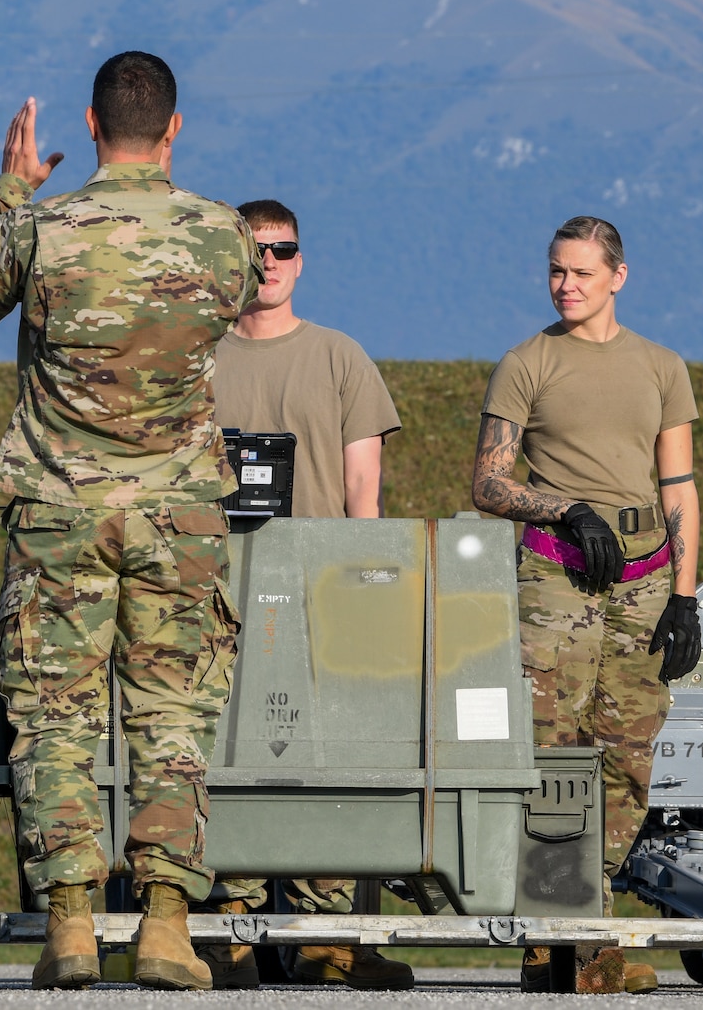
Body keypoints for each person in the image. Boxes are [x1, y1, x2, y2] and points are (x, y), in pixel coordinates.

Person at [0, 53, 259, 993]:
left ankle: (70, 926)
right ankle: (164, 925)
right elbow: (224, 315)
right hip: (177, 516)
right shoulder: (221, 234)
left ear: (91, 119)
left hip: (60, 511)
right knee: (171, 715)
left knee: (52, 719)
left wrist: (10, 184)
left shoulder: (45, 227)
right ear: (174, 127)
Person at [471, 215, 702, 997]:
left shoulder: (663, 366)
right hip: (558, 575)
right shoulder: (526, 362)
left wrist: (683, 597)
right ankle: (549, 942)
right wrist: (563, 507)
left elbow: (679, 488)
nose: (565, 286)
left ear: (618, 277)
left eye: (580, 273)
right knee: (553, 757)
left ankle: (589, 931)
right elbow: (489, 483)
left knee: (627, 758)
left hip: (645, 578)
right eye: (555, 272)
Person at [203, 198, 411, 992]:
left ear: (302, 258)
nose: (269, 263)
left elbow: (366, 486)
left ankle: (325, 932)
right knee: (224, 751)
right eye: (254, 250)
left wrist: (367, 590)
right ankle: (232, 922)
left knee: (323, 753)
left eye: (282, 249)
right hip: (218, 591)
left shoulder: (339, 357)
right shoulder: (199, 358)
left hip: (321, 587)